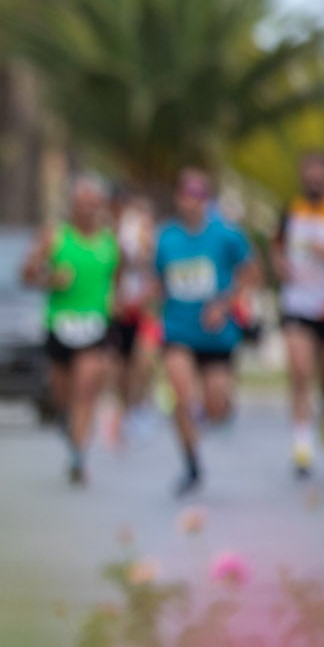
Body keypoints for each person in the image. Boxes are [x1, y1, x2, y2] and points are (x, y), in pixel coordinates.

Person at [154, 169, 258, 497]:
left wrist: (224, 304)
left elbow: (251, 273)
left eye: (199, 195)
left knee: (214, 406)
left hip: (216, 335)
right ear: (177, 198)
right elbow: (158, 280)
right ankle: (191, 465)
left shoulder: (227, 235)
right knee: (182, 396)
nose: (192, 202)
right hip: (178, 330)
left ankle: (221, 408)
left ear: (207, 199)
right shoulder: (166, 237)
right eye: (186, 194)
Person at [23, 175, 120, 487]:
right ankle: (68, 425)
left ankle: (78, 455)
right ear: (72, 206)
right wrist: (50, 280)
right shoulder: (55, 236)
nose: (87, 210)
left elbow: (118, 278)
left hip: (95, 326)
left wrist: (114, 302)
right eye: (82, 204)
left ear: (101, 207)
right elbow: (26, 274)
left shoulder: (110, 241)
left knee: (86, 389)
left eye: (93, 204)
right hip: (59, 326)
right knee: (61, 394)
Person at [272, 152, 324, 477]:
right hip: (297, 303)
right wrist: (280, 265)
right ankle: (301, 445)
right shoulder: (291, 212)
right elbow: (276, 246)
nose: (313, 181)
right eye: (308, 175)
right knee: (301, 370)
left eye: (319, 175)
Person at [107, 191, 160, 445]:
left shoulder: (154, 239)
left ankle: (142, 405)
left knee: (144, 360)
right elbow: (114, 267)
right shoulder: (118, 234)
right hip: (123, 307)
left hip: (145, 309)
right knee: (122, 368)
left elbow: (156, 269)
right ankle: (125, 410)